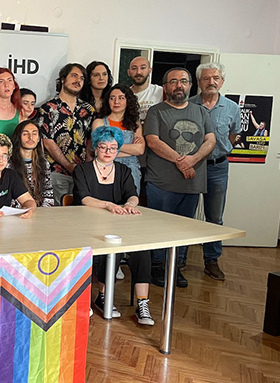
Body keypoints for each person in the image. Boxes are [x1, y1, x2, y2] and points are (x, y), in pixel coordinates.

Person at [72, 126, 153, 326]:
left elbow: (132, 194)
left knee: (142, 250)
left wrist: (130, 204)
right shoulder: (82, 170)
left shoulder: (124, 171)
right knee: (111, 248)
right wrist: (108, 205)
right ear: (95, 147)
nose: (108, 152)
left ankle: (142, 303)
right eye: (103, 147)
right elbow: (84, 198)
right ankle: (103, 296)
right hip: (87, 226)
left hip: (119, 225)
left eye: (113, 148)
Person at [144, 67, 216, 288]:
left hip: (192, 183)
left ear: (190, 85)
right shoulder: (156, 111)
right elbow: (153, 141)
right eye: (173, 81)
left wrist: (193, 160)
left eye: (183, 81)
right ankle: (157, 266)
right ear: (165, 87)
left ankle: (175, 267)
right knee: (158, 226)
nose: (178, 85)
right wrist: (181, 161)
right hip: (161, 183)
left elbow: (211, 140)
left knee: (185, 229)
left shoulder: (201, 112)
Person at [189, 62, 241, 281]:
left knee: (215, 217)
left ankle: (211, 261)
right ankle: (179, 259)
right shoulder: (188, 104)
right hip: (191, 167)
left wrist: (219, 149)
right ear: (199, 82)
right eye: (206, 78)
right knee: (186, 216)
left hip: (218, 167)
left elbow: (233, 135)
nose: (211, 82)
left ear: (222, 81)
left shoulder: (232, 108)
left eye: (216, 78)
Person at [37, 63, 95, 206]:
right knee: (58, 215)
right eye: (74, 76)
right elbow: (47, 142)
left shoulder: (88, 110)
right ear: (63, 79)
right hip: (56, 173)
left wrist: (87, 168)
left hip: (82, 174)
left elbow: (90, 140)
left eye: (81, 78)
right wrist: (68, 165)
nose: (78, 80)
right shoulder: (48, 109)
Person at [91, 84, 145, 192]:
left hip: (131, 169)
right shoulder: (99, 122)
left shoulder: (135, 124)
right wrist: (130, 150)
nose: (116, 102)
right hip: (104, 168)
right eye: (112, 98)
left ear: (128, 101)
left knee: (130, 200)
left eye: (121, 98)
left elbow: (140, 150)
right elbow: (97, 151)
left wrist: (108, 147)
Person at [9, 120, 54, 207]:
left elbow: (48, 195)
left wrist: (43, 211)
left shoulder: (44, 163)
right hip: (18, 211)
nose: (30, 137)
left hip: (41, 211)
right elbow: (9, 198)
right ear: (18, 137)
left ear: (38, 139)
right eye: (25, 134)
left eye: (34, 134)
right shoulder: (8, 164)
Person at [127, 56, 164, 123]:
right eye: (134, 68)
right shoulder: (124, 95)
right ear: (129, 72)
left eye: (143, 68)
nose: (138, 72)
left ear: (149, 70)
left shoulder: (161, 92)